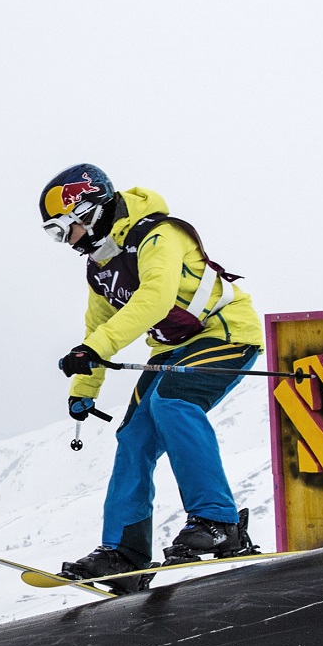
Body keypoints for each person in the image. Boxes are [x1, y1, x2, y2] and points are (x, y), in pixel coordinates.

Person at [39, 164, 263, 593]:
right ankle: (125, 552)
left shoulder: (160, 235)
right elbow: (96, 330)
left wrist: (96, 349)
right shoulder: (100, 267)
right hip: (172, 350)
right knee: (134, 437)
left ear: (88, 211)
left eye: (63, 229)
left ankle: (218, 522)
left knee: (173, 403)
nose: (66, 241)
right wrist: (82, 390)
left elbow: (154, 299)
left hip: (225, 333)